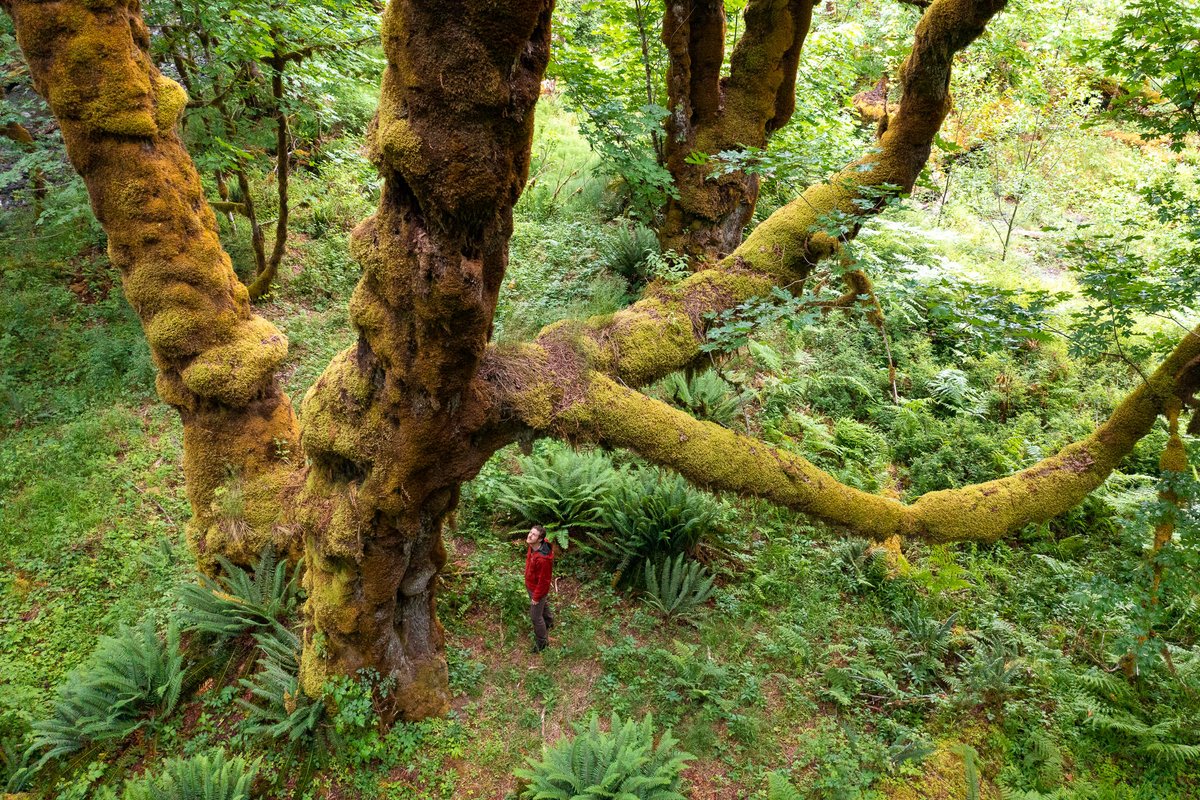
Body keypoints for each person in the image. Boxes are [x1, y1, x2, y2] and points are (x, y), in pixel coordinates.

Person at [524, 524, 555, 652]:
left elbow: (544, 581)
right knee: (543, 604)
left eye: (534, 535)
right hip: (531, 584)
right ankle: (549, 621)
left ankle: (542, 643)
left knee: (535, 616)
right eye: (530, 532)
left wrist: (536, 597)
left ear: (540, 539)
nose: (530, 535)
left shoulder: (543, 560)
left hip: (537, 588)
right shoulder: (534, 545)